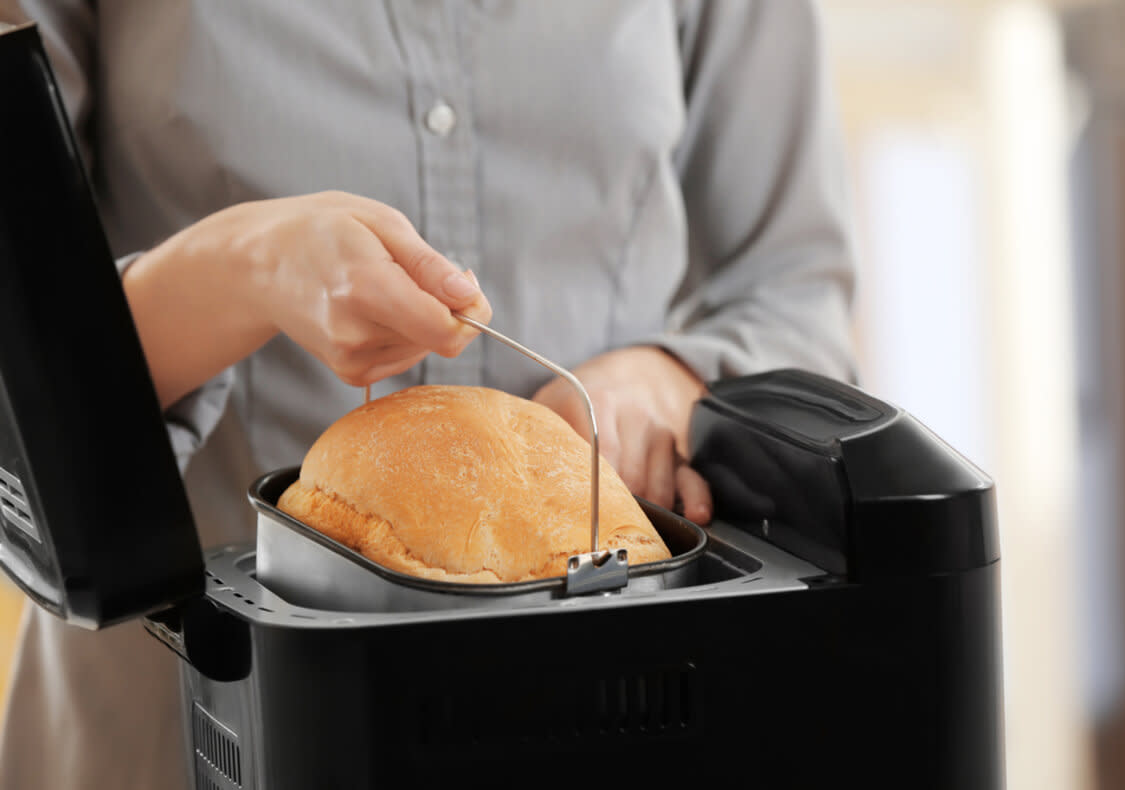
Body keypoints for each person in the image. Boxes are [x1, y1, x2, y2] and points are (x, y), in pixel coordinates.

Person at [0, 1, 857, 787]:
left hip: (609, 719)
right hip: (190, 729)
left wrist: (668, 373)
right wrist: (239, 270)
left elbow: (795, 288)